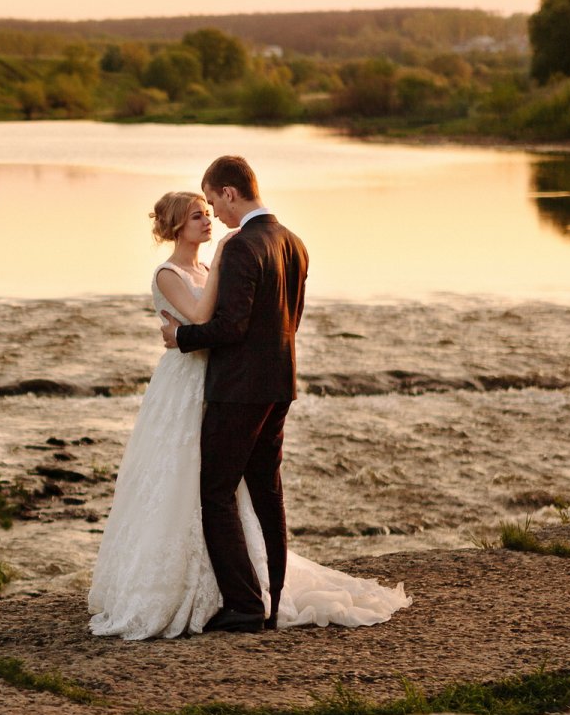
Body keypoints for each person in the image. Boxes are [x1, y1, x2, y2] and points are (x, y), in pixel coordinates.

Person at [88, 170, 408, 639]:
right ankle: (265, 597)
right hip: (255, 384)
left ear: (229, 192)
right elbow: (281, 318)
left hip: (233, 387)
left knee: (218, 492)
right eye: (200, 213)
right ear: (176, 226)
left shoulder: (236, 250)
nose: (213, 216)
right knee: (254, 490)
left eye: (211, 205)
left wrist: (180, 335)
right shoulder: (289, 242)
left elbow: (224, 326)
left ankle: (245, 604)